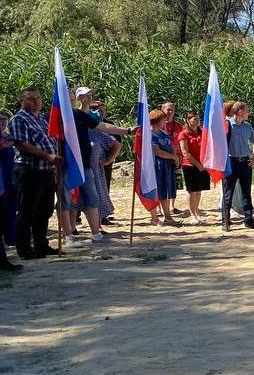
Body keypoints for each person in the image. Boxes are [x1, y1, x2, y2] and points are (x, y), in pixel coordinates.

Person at [62, 87, 134, 245]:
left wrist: (127, 131)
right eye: (70, 98)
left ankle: (96, 234)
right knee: (67, 201)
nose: (72, 100)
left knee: (92, 199)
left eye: (72, 98)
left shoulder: (79, 114)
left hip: (85, 165)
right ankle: (68, 236)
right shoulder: (54, 117)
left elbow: (102, 126)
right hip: (66, 166)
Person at [9, 87, 60, 259]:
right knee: (26, 211)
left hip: (46, 171)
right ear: (22, 101)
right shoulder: (19, 119)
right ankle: (25, 249)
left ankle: (41, 245)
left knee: (45, 210)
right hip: (29, 171)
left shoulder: (42, 120)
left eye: (38, 98)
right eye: (31, 99)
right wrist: (48, 156)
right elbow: (22, 144)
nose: (36, 101)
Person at [223, 101, 254, 232]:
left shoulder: (247, 126)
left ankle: (249, 219)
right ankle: (225, 220)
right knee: (228, 192)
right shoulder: (227, 125)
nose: (248, 112)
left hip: (245, 162)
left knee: (246, 192)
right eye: (246, 110)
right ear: (239, 111)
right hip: (231, 162)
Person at [176, 111, 211, 224]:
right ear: (188, 120)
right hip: (190, 165)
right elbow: (185, 152)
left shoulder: (202, 133)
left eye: (198, 119)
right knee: (192, 191)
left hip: (203, 165)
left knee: (199, 190)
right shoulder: (183, 134)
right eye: (194, 119)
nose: (197, 121)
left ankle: (196, 212)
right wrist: (198, 165)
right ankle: (192, 215)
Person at [149, 110, 181, 225]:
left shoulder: (164, 133)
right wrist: (173, 157)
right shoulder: (150, 134)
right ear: (156, 121)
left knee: (167, 191)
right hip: (158, 166)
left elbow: (171, 146)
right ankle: (154, 217)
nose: (165, 121)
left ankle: (167, 216)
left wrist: (175, 158)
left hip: (168, 165)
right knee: (158, 191)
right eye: (163, 119)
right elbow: (157, 151)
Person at [0, 111, 21, 272]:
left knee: (10, 211)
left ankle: (10, 239)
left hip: (9, 179)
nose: (2, 122)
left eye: (4, 120)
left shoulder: (8, 137)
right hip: (3, 181)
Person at [161, 101, 185, 214]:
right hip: (162, 157)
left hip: (176, 158)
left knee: (175, 183)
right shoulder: (159, 124)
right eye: (168, 109)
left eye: (172, 110)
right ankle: (159, 208)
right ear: (162, 110)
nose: (170, 112)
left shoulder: (178, 126)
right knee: (161, 183)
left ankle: (172, 206)